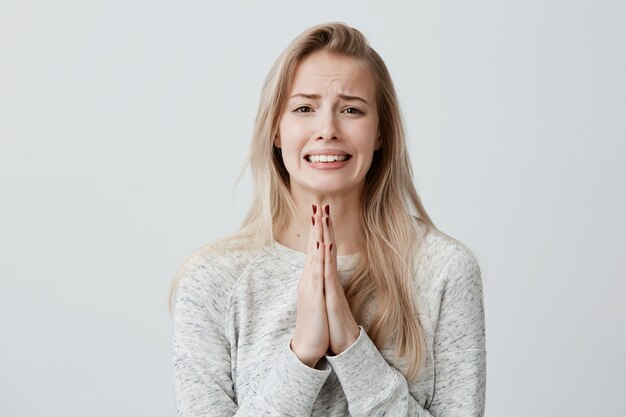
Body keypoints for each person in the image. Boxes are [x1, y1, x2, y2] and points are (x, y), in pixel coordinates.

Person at [169, 22, 486, 416]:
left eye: (351, 109)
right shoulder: (211, 280)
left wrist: (352, 346)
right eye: (304, 108)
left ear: (381, 133)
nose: (327, 130)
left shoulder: (444, 271)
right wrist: (302, 354)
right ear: (276, 131)